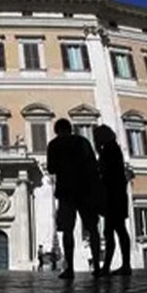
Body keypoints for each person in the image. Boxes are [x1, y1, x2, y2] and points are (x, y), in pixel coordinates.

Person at [47, 118, 102, 280]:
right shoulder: (83, 142)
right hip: (85, 190)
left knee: (67, 231)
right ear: (70, 129)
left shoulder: (54, 144)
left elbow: (51, 168)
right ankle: (97, 266)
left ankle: (70, 268)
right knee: (92, 229)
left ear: (57, 130)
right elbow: (93, 165)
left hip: (66, 192)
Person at [94, 125, 132, 276]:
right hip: (117, 195)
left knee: (113, 231)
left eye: (96, 136)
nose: (95, 139)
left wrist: (98, 151)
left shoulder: (109, 150)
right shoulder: (113, 148)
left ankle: (112, 266)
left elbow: (102, 169)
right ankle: (120, 265)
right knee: (117, 230)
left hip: (112, 196)